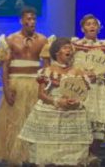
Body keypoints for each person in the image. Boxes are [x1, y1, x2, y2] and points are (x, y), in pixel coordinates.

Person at [18, 37, 92, 166]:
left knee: (72, 155)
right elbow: (41, 94)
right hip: (51, 112)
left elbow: (84, 93)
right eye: (65, 48)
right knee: (49, 154)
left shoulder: (79, 72)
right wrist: (57, 101)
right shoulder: (47, 72)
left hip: (72, 114)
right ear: (57, 52)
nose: (69, 50)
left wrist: (77, 101)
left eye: (70, 47)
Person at [0, 6, 48, 166]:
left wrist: (45, 88)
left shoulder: (43, 40)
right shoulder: (10, 40)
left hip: (35, 83)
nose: (31, 22)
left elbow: (46, 67)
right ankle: (15, 157)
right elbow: (5, 66)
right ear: (21, 21)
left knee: (35, 120)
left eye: (34, 19)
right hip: (16, 84)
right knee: (14, 121)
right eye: (28, 19)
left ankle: (35, 156)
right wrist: (6, 88)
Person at [72, 14, 105, 162]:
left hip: (101, 87)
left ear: (98, 28)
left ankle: (92, 155)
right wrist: (82, 74)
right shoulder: (76, 44)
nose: (91, 26)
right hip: (82, 87)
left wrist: (96, 74)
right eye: (88, 24)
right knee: (82, 123)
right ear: (83, 28)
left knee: (100, 124)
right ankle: (81, 156)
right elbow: (70, 64)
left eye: (94, 24)